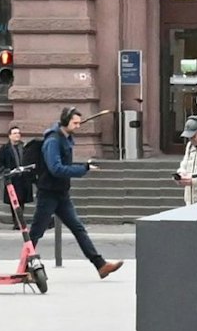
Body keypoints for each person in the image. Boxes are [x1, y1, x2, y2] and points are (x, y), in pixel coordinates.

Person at [27, 109, 124, 279]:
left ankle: (100, 265)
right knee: (36, 232)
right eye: (75, 123)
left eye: (79, 122)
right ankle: (23, 268)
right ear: (65, 121)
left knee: (78, 228)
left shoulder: (65, 138)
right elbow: (56, 169)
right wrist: (82, 169)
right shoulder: (53, 141)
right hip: (48, 193)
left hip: (61, 194)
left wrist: (83, 167)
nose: (78, 126)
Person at [0, 125, 34, 230]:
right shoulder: (5, 148)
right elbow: (0, 163)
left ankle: (20, 221)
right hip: (13, 179)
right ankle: (16, 221)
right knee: (14, 201)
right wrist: (5, 171)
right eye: (15, 133)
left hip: (24, 178)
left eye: (18, 133)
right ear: (9, 136)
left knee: (22, 201)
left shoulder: (25, 147)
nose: (17, 135)